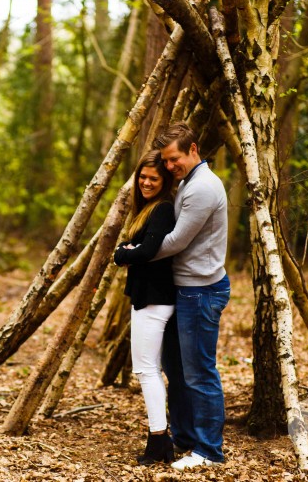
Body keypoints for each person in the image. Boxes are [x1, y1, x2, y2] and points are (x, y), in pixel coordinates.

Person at [151, 122, 230, 471]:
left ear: (194, 149)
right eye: (165, 161)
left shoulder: (203, 188)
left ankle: (209, 451)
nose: (169, 166)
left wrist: (132, 253)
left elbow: (176, 242)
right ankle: (184, 436)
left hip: (201, 291)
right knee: (175, 369)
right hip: (183, 289)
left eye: (175, 158)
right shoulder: (187, 183)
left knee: (199, 372)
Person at [114, 150, 176, 465]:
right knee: (148, 369)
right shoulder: (149, 210)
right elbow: (143, 248)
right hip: (148, 296)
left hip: (155, 299)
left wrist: (124, 253)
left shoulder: (162, 209)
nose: (146, 182)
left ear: (164, 181)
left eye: (153, 178)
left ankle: (158, 441)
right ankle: (160, 439)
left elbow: (149, 249)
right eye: (142, 177)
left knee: (147, 370)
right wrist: (129, 250)